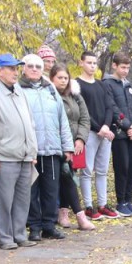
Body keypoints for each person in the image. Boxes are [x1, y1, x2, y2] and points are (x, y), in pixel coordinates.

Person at [0, 53, 38, 250]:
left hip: (25, 156)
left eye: (16, 68)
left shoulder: (19, 91)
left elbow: (30, 123)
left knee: (22, 199)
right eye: (11, 68)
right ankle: (5, 238)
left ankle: (19, 235)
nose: (15, 72)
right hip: (4, 157)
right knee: (4, 201)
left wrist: (32, 151)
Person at [18, 53, 73, 241]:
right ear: (23, 68)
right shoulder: (18, 90)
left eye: (38, 66)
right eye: (30, 66)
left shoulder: (51, 89)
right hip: (30, 151)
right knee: (31, 191)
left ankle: (49, 226)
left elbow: (62, 119)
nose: (34, 69)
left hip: (52, 148)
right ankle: (34, 227)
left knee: (51, 190)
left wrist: (67, 146)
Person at [49, 64, 94, 230]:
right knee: (66, 178)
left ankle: (64, 213)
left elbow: (85, 119)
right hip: (56, 144)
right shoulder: (49, 95)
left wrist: (81, 139)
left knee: (68, 177)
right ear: (52, 78)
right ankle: (77, 215)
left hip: (75, 143)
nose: (63, 81)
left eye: (65, 78)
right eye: (59, 77)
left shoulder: (75, 96)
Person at [76, 51, 117, 219]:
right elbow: (82, 111)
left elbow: (109, 107)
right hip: (90, 132)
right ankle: (88, 206)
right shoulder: (77, 85)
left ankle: (102, 204)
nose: (92, 66)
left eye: (94, 63)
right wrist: (98, 128)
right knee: (86, 171)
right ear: (81, 63)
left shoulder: (102, 85)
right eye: (89, 62)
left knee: (102, 171)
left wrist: (106, 126)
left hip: (104, 133)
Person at [102, 53, 132, 216]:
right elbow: (112, 108)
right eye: (123, 67)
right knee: (122, 166)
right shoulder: (107, 84)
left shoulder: (129, 85)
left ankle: (128, 201)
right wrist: (127, 126)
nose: (125, 71)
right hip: (119, 133)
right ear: (114, 66)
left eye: (127, 68)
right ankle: (121, 202)